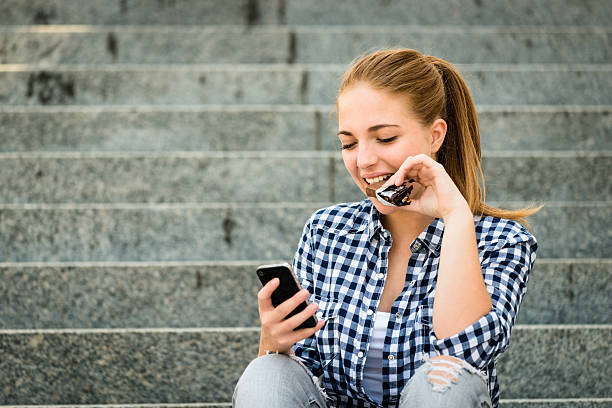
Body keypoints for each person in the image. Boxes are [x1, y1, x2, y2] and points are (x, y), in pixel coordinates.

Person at [233, 48, 540, 408]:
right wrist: (273, 341)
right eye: (348, 143)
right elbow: (295, 372)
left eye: (385, 139)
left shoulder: (502, 241)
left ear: (435, 136)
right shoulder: (326, 230)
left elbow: (465, 353)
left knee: (444, 379)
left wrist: (456, 216)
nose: (363, 161)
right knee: (267, 372)